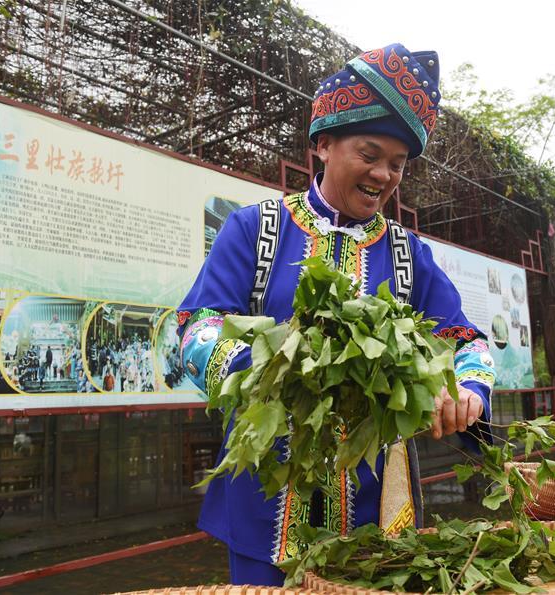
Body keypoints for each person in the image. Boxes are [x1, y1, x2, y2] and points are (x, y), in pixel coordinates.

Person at [176, 43, 496, 587]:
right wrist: (271, 368)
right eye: (369, 155)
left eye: (397, 164)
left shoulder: (407, 254)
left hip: (378, 507)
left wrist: (468, 390)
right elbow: (196, 327)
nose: (383, 175)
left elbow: (465, 339)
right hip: (267, 501)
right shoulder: (255, 230)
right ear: (323, 145)